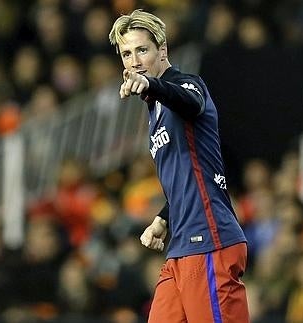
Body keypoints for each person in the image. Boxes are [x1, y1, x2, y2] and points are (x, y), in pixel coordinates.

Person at [109, 9, 249, 323]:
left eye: (142, 50)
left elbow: (191, 102)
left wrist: (149, 85)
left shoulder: (185, 85)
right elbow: (190, 175)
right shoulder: (156, 110)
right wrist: (163, 218)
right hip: (181, 246)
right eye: (127, 54)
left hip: (209, 241)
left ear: (163, 50)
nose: (134, 61)